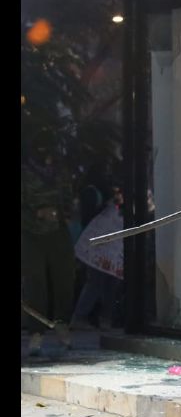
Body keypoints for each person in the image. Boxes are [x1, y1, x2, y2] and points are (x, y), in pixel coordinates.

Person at [21, 134, 76, 355]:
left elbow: (68, 200)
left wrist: (62, 214)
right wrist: (38, 213)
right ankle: (36, 334)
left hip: (58, 233)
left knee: (64, 279)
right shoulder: (25, 174)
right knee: (36, 284)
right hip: (31, 234)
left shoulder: (60, 174)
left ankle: (62, 325)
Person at [70, 186, 125, 331]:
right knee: (96, 284)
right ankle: (82, 317)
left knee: (109, 285)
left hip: (112, 251)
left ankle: (104, 318)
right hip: (100, 251)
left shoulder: (114, 209)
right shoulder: (111, 210)